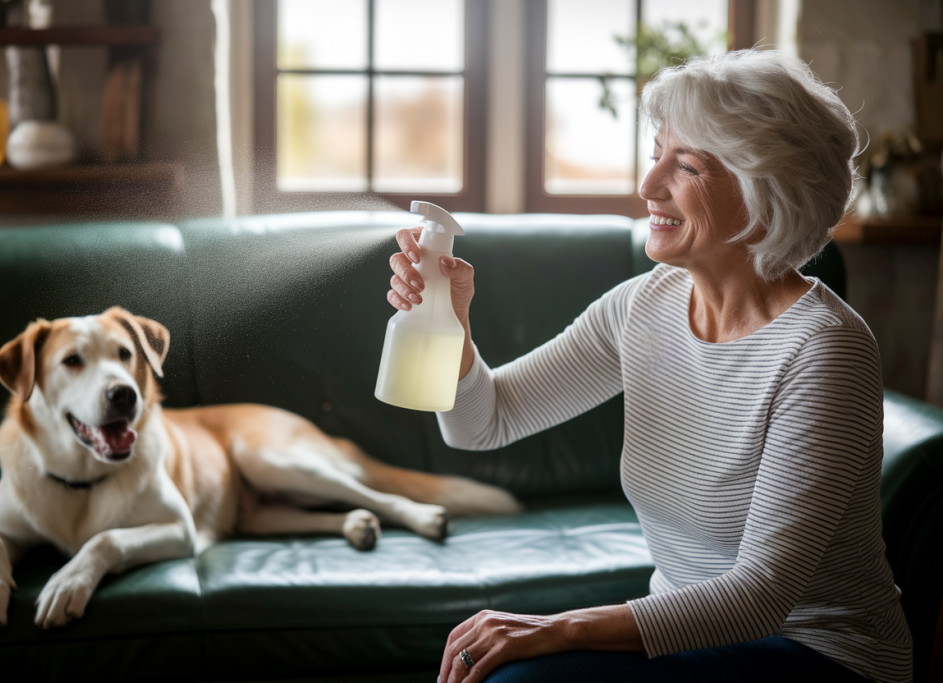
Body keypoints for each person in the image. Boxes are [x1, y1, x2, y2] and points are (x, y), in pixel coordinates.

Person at [385, 50, 913, 683]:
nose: (647, 185)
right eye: (656, 151)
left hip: (822, 653)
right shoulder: (644, 305)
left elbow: (762, 594)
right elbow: (481, 424)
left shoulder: (825, 350)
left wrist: (554, 628)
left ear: (764, 191)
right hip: (693, 636)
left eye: (684, 165)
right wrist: (452, 323)